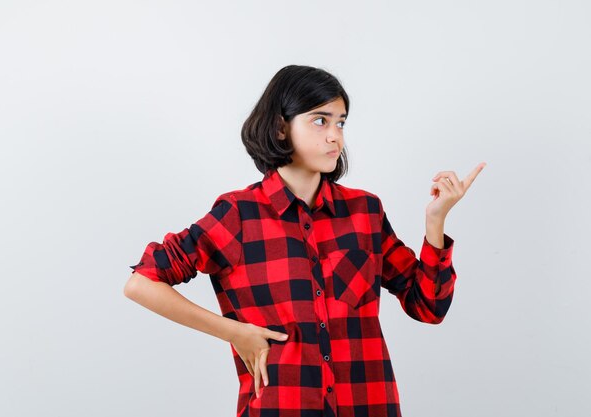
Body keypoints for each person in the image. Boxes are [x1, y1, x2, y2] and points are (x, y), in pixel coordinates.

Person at [123, 64, 486, 417]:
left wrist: (435, 220)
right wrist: (235, 333)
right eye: (320, 120)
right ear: (281, 128)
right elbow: (142, 283)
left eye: (340, 122)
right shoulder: (238, 215)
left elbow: (429, 307)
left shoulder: (365, 211)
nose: (335, 136)